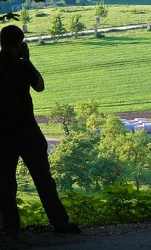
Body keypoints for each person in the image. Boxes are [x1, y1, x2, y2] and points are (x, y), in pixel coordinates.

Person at [0, 25, 81, 235]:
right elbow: (40, 86)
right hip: (27, 130)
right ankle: (60, 224)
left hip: (2, 134)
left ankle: (11, 228)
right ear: (19, 44)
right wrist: (27, 60)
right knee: (43, 178)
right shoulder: (22, 66)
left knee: (5, 182)